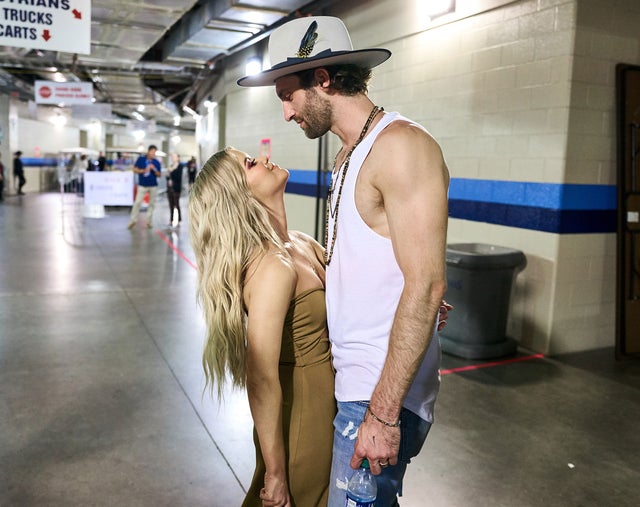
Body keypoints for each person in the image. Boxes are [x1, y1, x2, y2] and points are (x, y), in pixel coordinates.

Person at [238, 16, 450, 506]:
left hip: (377, 397)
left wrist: (382, 413)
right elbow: (389, 262)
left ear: (323, 79)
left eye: (287, 96)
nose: (287, 114)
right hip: (354, 384)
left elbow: (426, 284)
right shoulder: (349, 154)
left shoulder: (400, 146)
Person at [188, 147, 335, 506]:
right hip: (302, 412)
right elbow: (261, 376)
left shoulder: (301, 243)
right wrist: (275, 471)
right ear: (240, 195)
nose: (264, 158)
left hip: (330, 400)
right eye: (250, 163)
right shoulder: (272, 267)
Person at [128, 145, 162, 230]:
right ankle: (133, 220)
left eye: (155, 152)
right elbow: (135, 169)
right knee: (137, 203)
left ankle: (148, 222)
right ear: (148, 151)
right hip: (142, 184)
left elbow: (159, 175)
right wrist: (143, 170)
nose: (153, 154)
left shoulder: (156, 162)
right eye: (152, 152)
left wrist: (154, 169)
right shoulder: (141, 159)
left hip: (153, 185)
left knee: (151, 204)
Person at [166, 153, 183, 227]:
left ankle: (179, 220)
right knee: (171, 205)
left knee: (176, 204)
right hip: (169, 188)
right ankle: (171, 220)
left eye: (174, 157)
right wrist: (168, 174)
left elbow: (177, 176)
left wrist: (171, 171)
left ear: (178, 158)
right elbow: (167, 176)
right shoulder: (171, 166)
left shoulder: (180, 166)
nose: (173, 158)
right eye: (172, 157)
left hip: (176, 188)